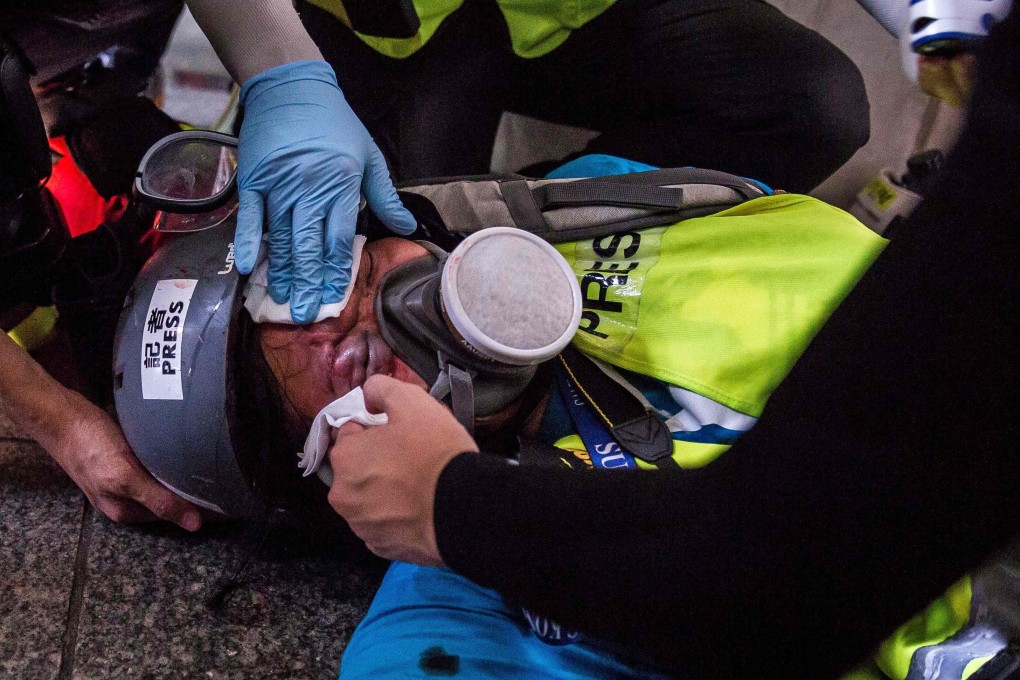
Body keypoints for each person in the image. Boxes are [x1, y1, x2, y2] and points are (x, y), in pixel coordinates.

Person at [325, 6, 1020, 679]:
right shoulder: (429, 625)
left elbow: (776, 575)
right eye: (350, 363)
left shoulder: (584, 211)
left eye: (359, 272)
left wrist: (453, 507)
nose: (396, 315)